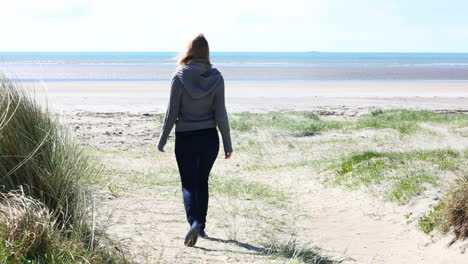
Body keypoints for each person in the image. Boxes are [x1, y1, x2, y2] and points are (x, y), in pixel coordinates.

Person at [157, 34, 233, 247]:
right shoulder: (217, 77)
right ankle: (202, 228)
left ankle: (194, 222)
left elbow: (171, 113)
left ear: (187, 51)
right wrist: (228, 144)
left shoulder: (179, 76)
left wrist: (162, 139)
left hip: (186, 138)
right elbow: (221, 114)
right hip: (209, 138)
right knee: (202, 181)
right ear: (207, 53)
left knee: (189, 183)